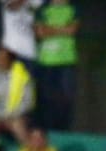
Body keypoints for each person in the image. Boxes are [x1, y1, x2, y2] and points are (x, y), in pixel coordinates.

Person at [33, 0, 78, 131]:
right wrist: (63, 28)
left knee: (66, 98)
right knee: (46, 98)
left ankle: (63, 129)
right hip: (46, 60)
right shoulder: (42, 9)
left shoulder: (73, 8)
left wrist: (50, 29)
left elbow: (72, 30)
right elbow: (40, 32)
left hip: (67, 60)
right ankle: (47, 128)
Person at [0, 47, 34, 145]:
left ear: (10, 60)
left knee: (18, 125)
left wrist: (10, 115)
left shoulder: (23, 76)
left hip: (18, 115)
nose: (0, 61)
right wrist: (0, 115)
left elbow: (28, 102)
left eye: (3, 58)